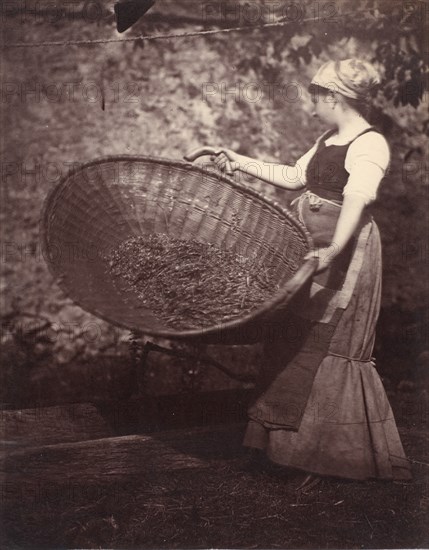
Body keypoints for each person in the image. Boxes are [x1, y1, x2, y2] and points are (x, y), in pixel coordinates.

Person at [188, 59, 412, 485]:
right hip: (308, 249)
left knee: (325, 340)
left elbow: (356, 201)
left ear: (334, 97)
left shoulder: (371, 144)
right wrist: (233, 158)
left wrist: (333, 250)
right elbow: (293, 177)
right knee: (292, 337)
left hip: (343, 254)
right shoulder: (327, 138)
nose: (311, 108)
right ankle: (280, 450)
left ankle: (326, 457)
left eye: (315, 99)